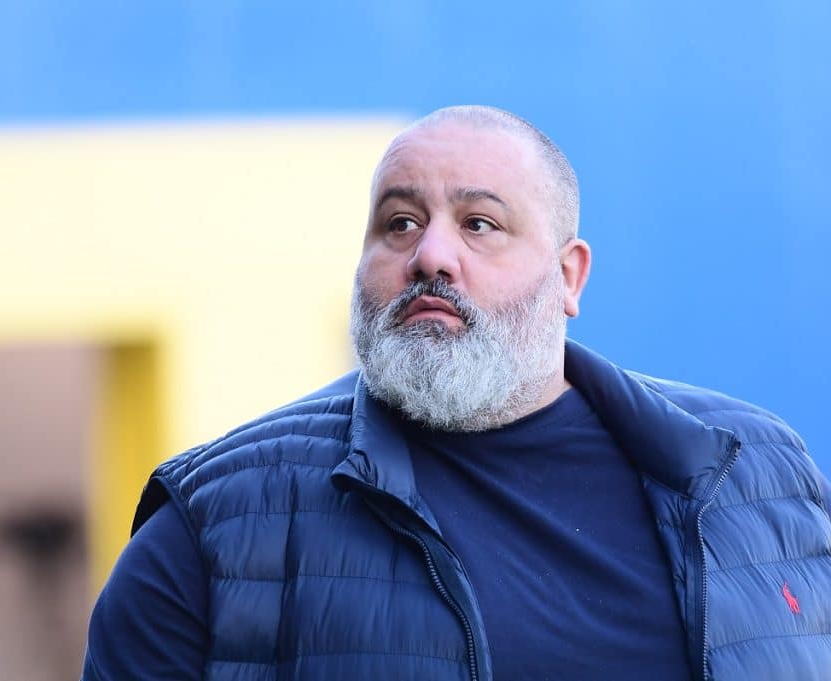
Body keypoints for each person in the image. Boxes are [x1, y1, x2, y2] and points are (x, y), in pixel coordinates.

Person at [82, 106, 831, 680]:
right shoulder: (217, 524)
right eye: (399, 223)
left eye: (480, 223)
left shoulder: (759, 477)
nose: (431, 255)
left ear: (568, 276)